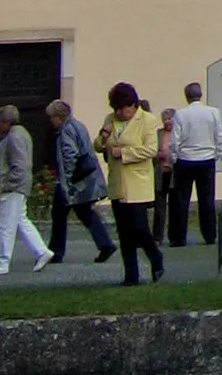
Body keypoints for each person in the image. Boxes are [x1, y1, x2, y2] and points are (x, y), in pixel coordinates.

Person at [98, 82, 165, 284]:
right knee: (124, 232)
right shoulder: (111, 119)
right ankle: (131, 275)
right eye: (116, 109)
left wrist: (124, 153)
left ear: (133, 105)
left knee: (139, 228)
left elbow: (151, 150)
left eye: (124, 109)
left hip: (138, 182)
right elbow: (99, 146)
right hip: (118, 182)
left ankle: (156, 257)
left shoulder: (147, 120)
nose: (120, 113)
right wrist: (104, 135)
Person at [0, 103, 53, 274]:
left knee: (4, 224)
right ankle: (41, 251)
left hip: (12, 188)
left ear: (6, 122)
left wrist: (5, 185)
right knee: (20, 220)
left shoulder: (14, 137)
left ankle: (2, 261)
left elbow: (20, 166)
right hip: (17, 187)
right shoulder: (18, 135)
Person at [45, 100, 116, 265]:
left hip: (74, 183)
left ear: (58, 117)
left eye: (52, 118)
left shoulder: (66, 131)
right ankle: (105, 244)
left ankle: (56, 252)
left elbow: (70, 157)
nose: (51, 122)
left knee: (61, 214)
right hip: (86, 180)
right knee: (85, 213)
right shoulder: (78, 125)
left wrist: (68, 183)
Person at [168, 80, 222, 248]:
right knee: (207, 199)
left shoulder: (180, 114)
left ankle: (179, 238)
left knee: (181, 201)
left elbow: (174, 142)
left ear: (186, 97)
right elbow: (220, 136)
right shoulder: (213, 113)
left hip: (185, 160)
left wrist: (174, 159)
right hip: (207, 159)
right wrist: (217, 155)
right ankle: (209, 236)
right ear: (200, 95)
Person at [151, 105, 178, 244]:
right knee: (159, 209)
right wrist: (157, 155)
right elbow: (151, 152)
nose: (167, 121)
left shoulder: (178, 133)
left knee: (174, 207)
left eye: (169, 119)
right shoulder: (158, 134)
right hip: (160, 173)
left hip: (174, 174)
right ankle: (157, 237)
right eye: (165, 119)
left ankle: (174, 237)